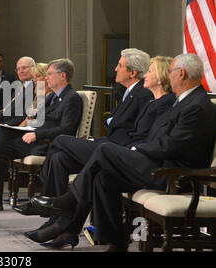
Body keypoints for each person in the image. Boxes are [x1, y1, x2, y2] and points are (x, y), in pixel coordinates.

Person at [29, 53, 216, 251]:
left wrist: (137, 149)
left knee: (105, 150)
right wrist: (139, 148)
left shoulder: (197, 105)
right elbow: (160, 139)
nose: (168, 76)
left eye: (171, 72)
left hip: (173, 174)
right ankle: (116, 244)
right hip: (157, 164)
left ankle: (68, 201)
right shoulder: (183, 102)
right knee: (103, 177)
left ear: (182, 74)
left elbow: (171, 145)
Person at [14, 56, 174, 218]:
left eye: (119, 65)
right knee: (59, 157)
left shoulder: (146, 96)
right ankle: (54, 215)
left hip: (123, 152)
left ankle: (57, 202)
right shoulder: (140, 97)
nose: (115, 69)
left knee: (61, 140)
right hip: (112, 145)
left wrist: (129, 148)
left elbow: (137, 135)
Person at [0, 58, 83, 211]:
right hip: (31, 138)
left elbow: (67, 129)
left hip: (44, 143)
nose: (46, 78)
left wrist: (37, 134)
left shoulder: (71, 97)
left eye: (50, 74)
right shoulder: (52, 96)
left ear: (63, 76)